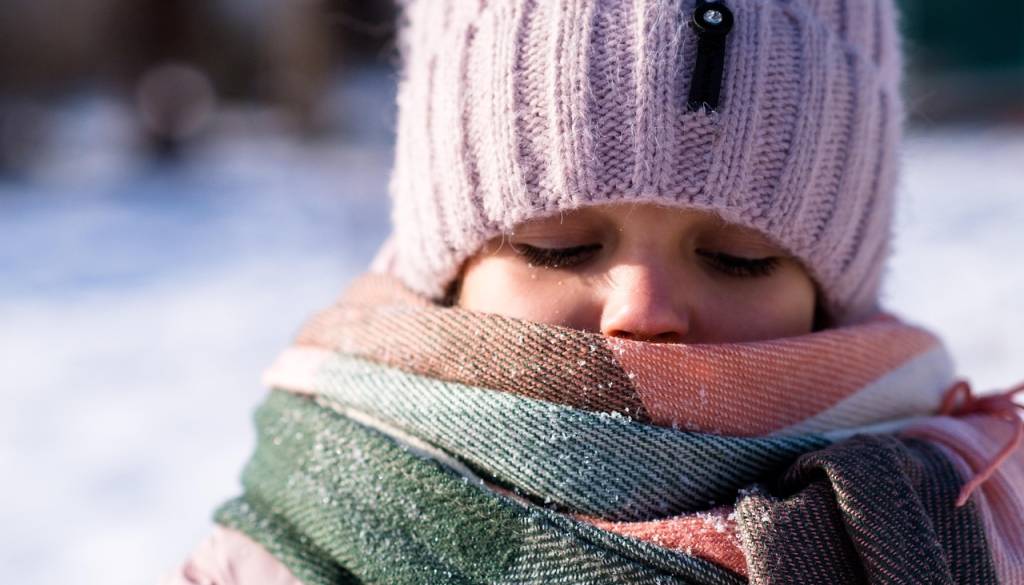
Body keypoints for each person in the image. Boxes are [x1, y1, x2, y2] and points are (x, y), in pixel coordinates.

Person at [164, 0, 1024, 583]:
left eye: (737, 256)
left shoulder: (964, 518)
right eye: (558, 245)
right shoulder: (288, 547)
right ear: (449, 272)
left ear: (832, 296)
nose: (640, 309)